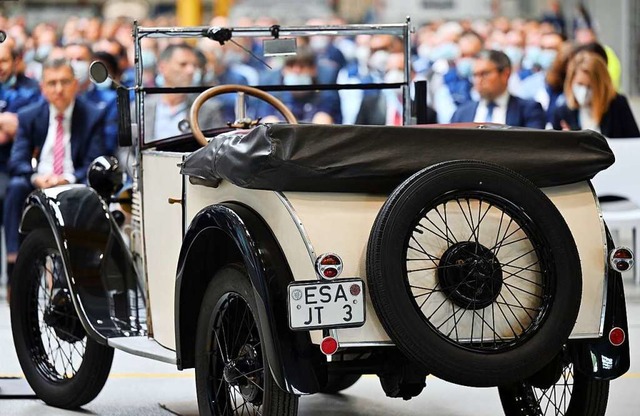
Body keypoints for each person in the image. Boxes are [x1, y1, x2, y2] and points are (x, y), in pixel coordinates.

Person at [3, 57, 106, 292]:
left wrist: (67, 179)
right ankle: (14, 268)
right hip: (39, 181)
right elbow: (17, 160)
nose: (58, 89)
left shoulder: (92, 115)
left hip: (73, 182)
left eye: (64, 82)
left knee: (83, 194)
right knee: (16, 187)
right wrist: (36, 177)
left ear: (75, 84)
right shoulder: (29, 116)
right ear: (43, 88)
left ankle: (66, 277)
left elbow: (94, 161)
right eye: (52, 83)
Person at [143, 43, 223, 142]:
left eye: (194, 65)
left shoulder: (207, 110)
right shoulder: (142, 108)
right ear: (162, 67)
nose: (191, 70)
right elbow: (127, 150)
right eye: (183, 64)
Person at [552, 51, 639, 138]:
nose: (584, 91)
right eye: (580, 84)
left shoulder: (617, 105)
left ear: (601, 86)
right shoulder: (563, 112)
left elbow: (634, 141)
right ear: (571, 82)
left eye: (590, 86)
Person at [450, 49, 546, 128]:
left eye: (484, 74)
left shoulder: (528, 110)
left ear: (505, 74)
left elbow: (532, 148)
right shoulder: (461, 113)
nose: (478, 80)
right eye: (475, 75)